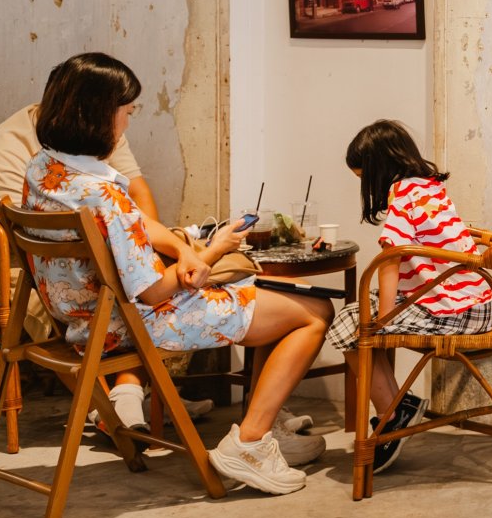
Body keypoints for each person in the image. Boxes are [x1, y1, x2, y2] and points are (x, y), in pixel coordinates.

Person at [18, 53, 333, 495]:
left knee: (276, 296)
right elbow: (153, 292)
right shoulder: (104, 195)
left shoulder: (45, 169)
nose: (127, 123)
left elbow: (136, 225)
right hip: (134, 324)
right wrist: (214, 250)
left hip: (82, 321)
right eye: (127, 112)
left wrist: (183, 248)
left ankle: (266, 430)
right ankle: (249, 443)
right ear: (99, 114)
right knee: (314, 312)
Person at [0, 56, 270, 433]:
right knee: (83, 295)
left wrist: (154, 248)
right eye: (127, 112)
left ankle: (135, 395)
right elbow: (23, 236)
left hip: (78, 262)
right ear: (91, 107)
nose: (128, 120)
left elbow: (135, 194)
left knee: (142, 269)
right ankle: (108, 411)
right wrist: (198, 253)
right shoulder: (8, 148)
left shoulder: (58, 153)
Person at [328, 120, 492, 471]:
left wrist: (384, 320)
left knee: (349, 322)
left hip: (452, 309)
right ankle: (397, 406)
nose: (364, 186)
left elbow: (391, 257)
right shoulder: (429, 185)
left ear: (378, 168)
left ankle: (391, 414)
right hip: (477, 302)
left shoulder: (402, 193)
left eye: (363, 178)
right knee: (361, 314)